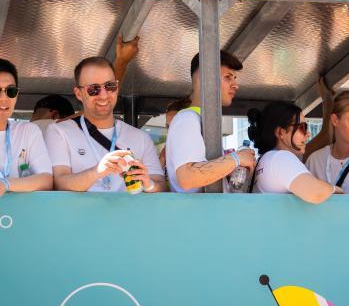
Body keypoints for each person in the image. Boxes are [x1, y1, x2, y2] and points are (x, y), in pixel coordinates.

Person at [46, 57, 165, 192]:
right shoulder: (59, 131)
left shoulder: (141, 137)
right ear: (79, 94)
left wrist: (149, 184)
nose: (103, 95)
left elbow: (160, 185)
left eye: (110, 86)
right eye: (93, 89)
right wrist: (97, 171)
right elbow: (59, 183)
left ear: (117, 88)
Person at [165, 51, 256, 193]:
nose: (235, 85)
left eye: (234, 78)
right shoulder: (187, 118)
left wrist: (232, 169)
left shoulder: (199, 119)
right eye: (228, 77)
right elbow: (187, 177)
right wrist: (237, 158)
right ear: (204, 78)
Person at [248, 102, 341, 203]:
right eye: (302, 127)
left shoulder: (266, 159)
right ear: (281, 132)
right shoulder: (281, 157)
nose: (308, 133)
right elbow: (315, 193)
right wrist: (336, 189)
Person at [0, 59, 53, 197]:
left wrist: (6, 184)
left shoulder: (28, 131)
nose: (3, 98)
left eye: (11, 91)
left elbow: (46, 180)